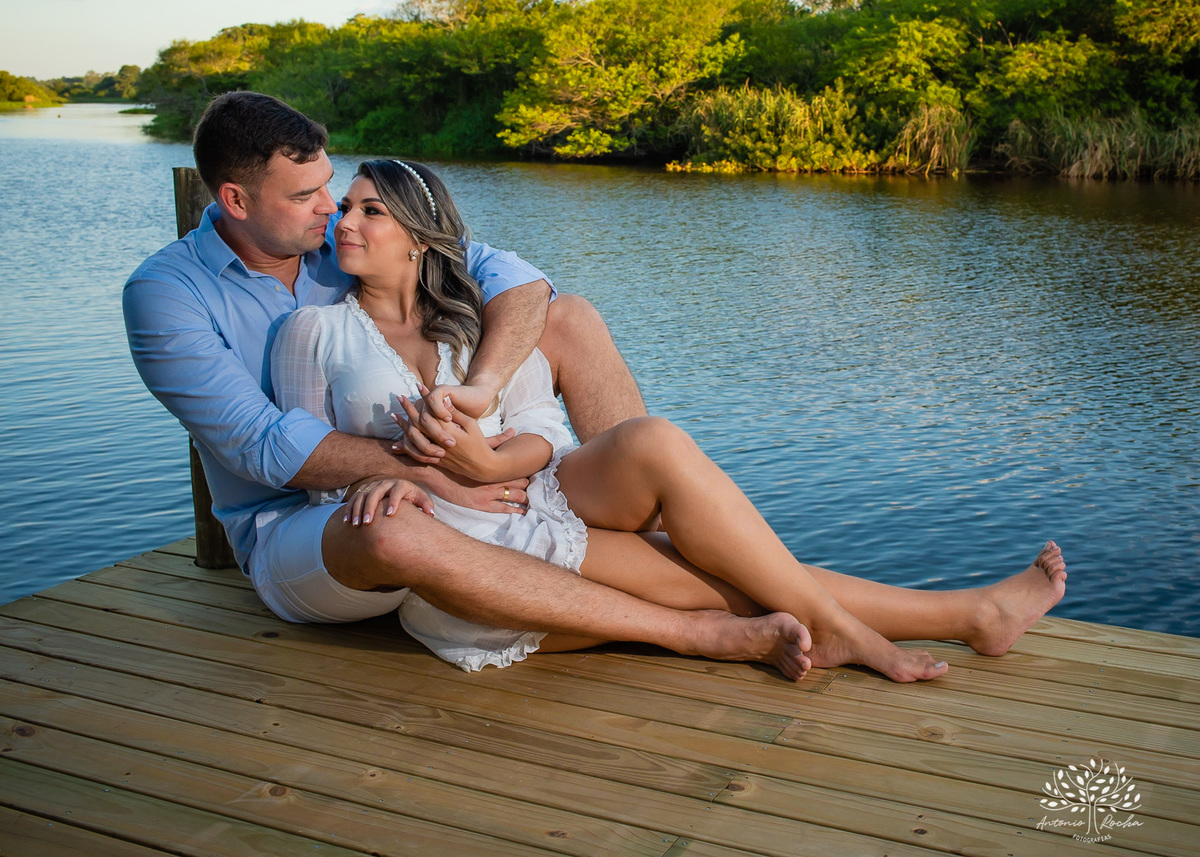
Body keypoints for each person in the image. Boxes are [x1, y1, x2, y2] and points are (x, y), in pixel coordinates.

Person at [270, 157, 1069, 682]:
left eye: (369, 210)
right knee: (721, 591)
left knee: (701, 530)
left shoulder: (474, 326)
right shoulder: (314, 331)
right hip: (452, 558)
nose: (344, 220)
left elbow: (544, 428)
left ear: (418, 236)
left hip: (534, 509)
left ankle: (968, 615)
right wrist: (392, 483)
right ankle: (950, 616)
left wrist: (492, 464)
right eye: (343, 207)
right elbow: (313, 474)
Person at [123, 90, 817, 678]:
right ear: (236, 199)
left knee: (569, 317)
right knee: (393, 530)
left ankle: (646, 521)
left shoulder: (341, 240)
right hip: (305, 526)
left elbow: (518, 280)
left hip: (454, 489)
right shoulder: (167, 294)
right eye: (306, 196)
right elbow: (260, 445)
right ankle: (691, 628)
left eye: (332, 188)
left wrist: (482, 390)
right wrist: (436, 476)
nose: (330, 209)